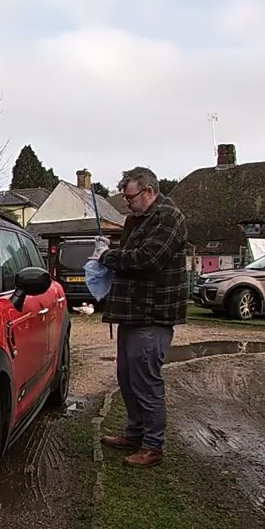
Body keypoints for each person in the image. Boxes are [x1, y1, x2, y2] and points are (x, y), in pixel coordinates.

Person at [91, 166, 188, 468]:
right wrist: (113, 249)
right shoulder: (141, 218)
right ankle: (135, 433)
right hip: (133, 313)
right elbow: (133, 253)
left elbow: (148, 259)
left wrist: (106, 257)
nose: (127, 204)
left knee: (146, 380)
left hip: (153, 314)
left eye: (130, 198)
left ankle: (152, 446)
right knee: (128, 377)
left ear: (148, 191)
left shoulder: (169, 218)